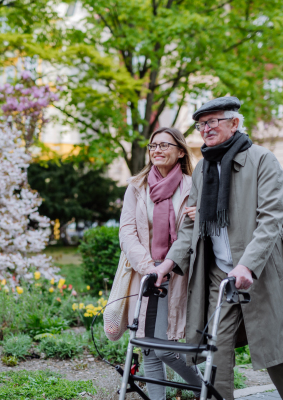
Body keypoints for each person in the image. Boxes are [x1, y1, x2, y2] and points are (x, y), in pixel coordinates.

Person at [149, 97, 283, 400]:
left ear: (235, 123)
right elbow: (189, 228)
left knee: (276, 354)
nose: (205, 129)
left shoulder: (263, 160)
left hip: (259, 274)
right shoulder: (203, 169)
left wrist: (247, 265)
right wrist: (166, 264)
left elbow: (270, 220)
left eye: (212, 122)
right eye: (201, 124)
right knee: (216, 353)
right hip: (218, 276)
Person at [119, 127, 201, 400]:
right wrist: (149, 267)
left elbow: (195, 234)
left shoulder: (192, 186)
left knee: (164, 346)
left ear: (180, 151)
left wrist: (199, 216)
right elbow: (127, 232)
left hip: (177, 272)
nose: (157, 150)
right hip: (145, 273)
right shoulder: (136, 186)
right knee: (149, 348)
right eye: (153, 146)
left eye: (165, 145)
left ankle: (206, 389)